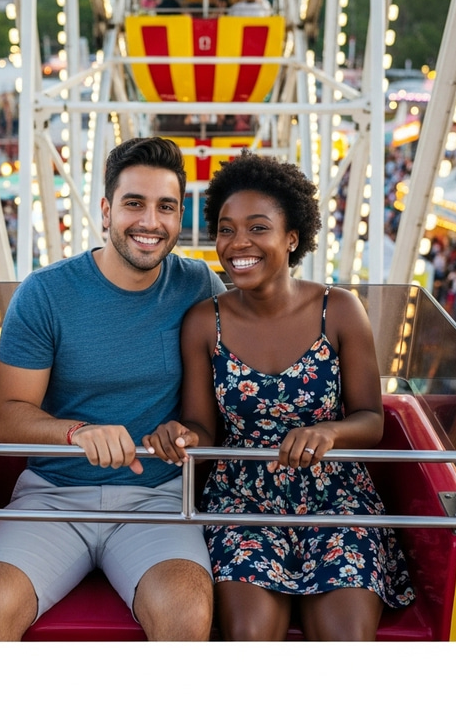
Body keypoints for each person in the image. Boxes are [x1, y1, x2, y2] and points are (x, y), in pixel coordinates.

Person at [0, 137, 226, 642]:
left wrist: (183, 435)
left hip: (157, 496)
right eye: (133, 204)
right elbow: (9, 414)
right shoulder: (46, 292)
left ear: (180, 214)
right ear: (105, 210)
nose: (150, 222)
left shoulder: (199, 285)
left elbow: (229, 391)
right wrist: (78, 433)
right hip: (54, 496)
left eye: (166, 207)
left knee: (186, 616)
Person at [146, 150, 414, 640]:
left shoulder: (341, 310)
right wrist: (180, 437)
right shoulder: (206, 321)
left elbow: (370, 418)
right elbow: (203, 431)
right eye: (226, 229)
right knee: (249, 636)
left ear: (292, 238)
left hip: (335, 497)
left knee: (346, 641)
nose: (238, 243)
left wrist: (326, 432)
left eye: (257, 228)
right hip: (240, 497)